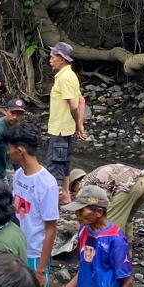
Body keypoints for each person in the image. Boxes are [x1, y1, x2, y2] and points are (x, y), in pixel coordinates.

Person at [6, 124, 59, 287]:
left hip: (37, 254)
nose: (8, 152)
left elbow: (51, 228)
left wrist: (40, 269)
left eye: (11, 148)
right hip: (18, 250)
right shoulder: (18, 175)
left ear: (21, 150)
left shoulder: (46, 184)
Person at [46, 42, 86, 203]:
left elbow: (75, 105)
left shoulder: (64, 78)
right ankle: (66, 195)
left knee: (54, 165)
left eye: (52, 57)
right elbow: (81, 100)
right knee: (64, 162)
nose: (50, 60)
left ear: (61, 59)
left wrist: (78, 122)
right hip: (66, 128)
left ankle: (51, 200)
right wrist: (79, 125)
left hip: (61, 128)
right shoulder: (71, 75)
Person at [68, 165, 144, 238]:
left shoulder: (84, 184)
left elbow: (101, 205)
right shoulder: (94, 176)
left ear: (77, 182)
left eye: (74, 190)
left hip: (130, 185)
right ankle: (127, 252)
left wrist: (82, 221)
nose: (76, 193)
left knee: (111, 223)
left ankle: (113, 252)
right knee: (127, 219)